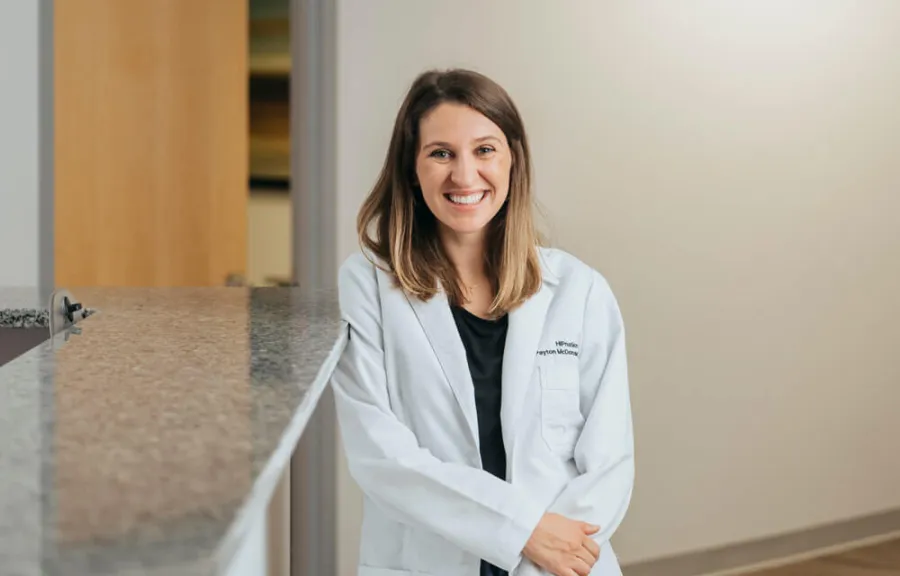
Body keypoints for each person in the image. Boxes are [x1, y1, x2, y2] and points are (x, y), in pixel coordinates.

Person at [331, 68, 634, 576]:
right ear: (412, 168)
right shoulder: (369, 285)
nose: (465, 176)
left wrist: (545, 553)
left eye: (485, 150)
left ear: (513, 159)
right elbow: (382, 457)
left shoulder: (579, 291)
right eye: (441, 153)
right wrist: (522, 532)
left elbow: (609, 462)